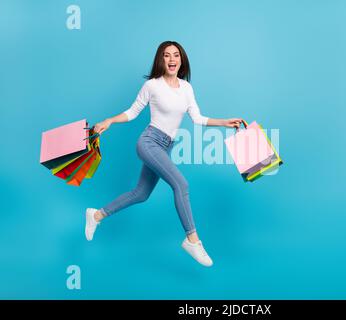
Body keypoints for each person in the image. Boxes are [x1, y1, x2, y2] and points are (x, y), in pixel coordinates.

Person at [84, 41, 243, 267]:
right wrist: (109, 120)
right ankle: (192, 240)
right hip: (149, 141)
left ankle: (96, 215)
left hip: (166, 145)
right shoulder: (152, 86)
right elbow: (132, 111)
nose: (171, 59)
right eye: (166, 55)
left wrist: (224, 122)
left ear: (181, 60)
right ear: (161, 60)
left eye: (175, 55)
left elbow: (198, 119)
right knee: (182, 185)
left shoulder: (187, 88)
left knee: (141, 193)